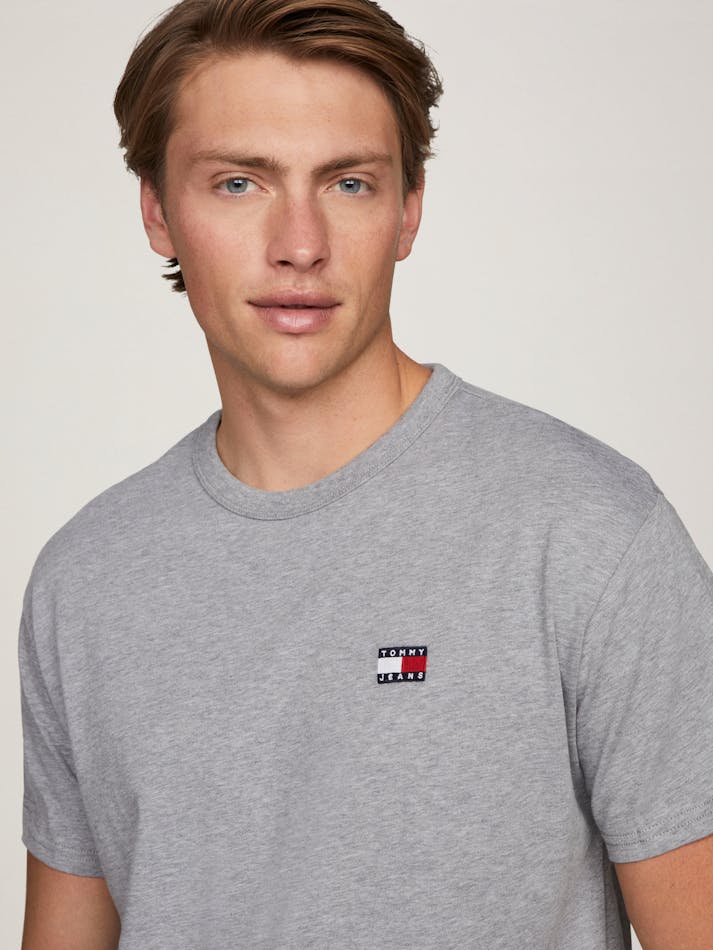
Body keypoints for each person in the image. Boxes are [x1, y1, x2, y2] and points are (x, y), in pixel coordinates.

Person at [17, 0, 713, 947]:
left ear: (406, 212)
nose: (299, 243)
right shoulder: (86, 579)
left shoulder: (590, 539)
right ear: (158, 212)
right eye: (238, 183)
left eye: (347, 183)